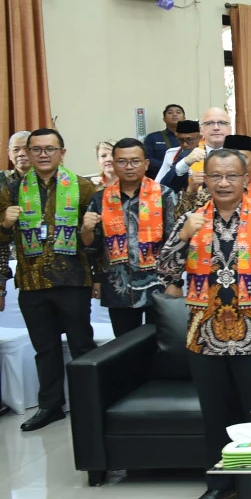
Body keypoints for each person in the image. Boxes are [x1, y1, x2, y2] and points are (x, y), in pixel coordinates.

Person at [156, 148, 251, 499]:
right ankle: (220, 485)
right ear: (205, 178)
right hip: (204, 336)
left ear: (246, 178)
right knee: (215, 415)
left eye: (231, 175)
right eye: (215, 175)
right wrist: (183, 236)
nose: (223, 183)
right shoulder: (191, 219)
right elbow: (165, 271)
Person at [0, 129, 101, 430]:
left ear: (62, 153)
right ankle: (50, 406)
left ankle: (90, 404)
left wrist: (98, 276)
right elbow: (1, 238)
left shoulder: (82, 186)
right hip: (32, 281)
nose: (43, 155)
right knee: (45, 349)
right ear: (27, 153)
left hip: (73, 278)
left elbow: (96, 239)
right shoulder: (11, 189)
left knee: (82, 345)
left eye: (50, 149)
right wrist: (5, 223)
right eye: (37, 149)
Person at [84, 137, 178, 336]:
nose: (128, 167)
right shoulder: (100, 199)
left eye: (135, 161)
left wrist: (175, 282)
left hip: (158, 286)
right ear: (114, 164)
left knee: (161, 343)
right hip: (118, 287)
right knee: (124, 345)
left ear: (146, 164)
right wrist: (86, 230)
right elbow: (93, 248)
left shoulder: (165, 195)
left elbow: (175, 243)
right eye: (122, 161)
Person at [161, 107, 230, 193]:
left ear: (230, 128)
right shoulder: (187, 155)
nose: (216, 128)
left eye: (222, 123)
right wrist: (184, 163)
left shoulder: (240, 154)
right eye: (209, 123)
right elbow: (164, 191)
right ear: (201, 130)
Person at [144, 103, 187, 179]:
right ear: (164, 119)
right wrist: (167, 167)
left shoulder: (192, 138)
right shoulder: (153, 137)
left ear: (184, 118)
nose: (174, 114)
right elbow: (147, 159)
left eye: (178, 112)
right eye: (170, 113)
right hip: (159, 179)